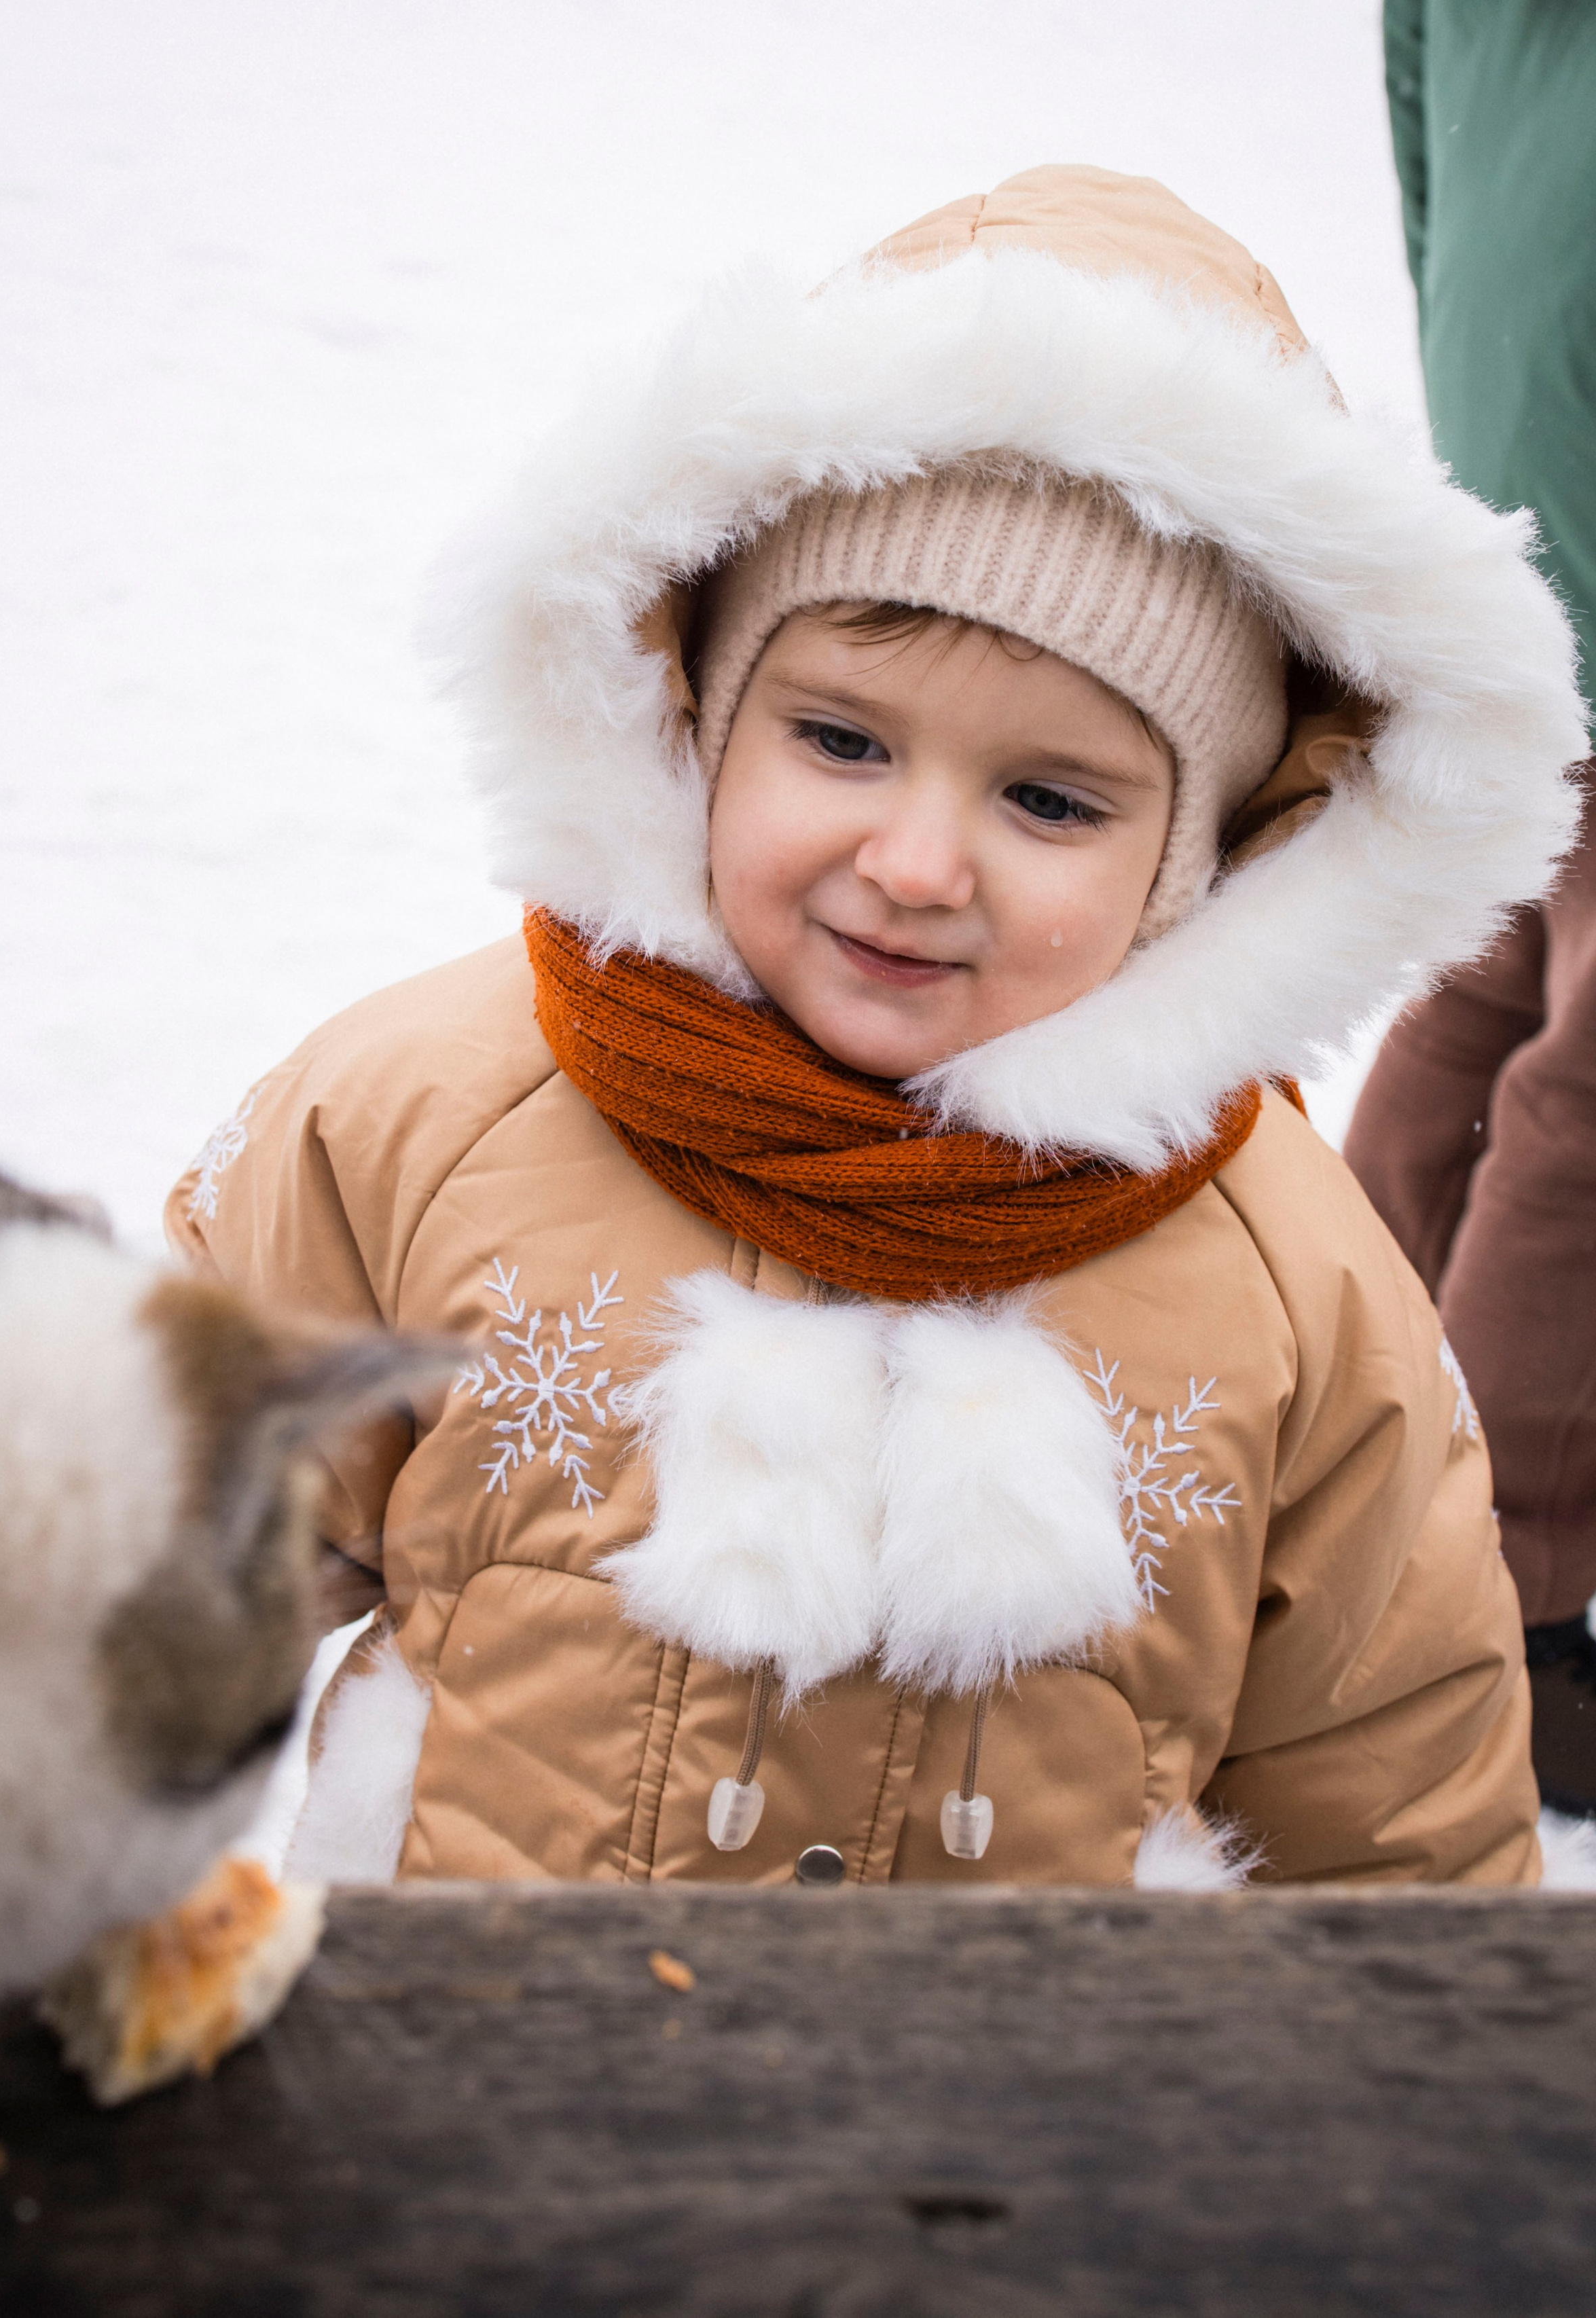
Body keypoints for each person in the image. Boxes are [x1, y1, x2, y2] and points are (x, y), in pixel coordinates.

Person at [170, 166, 1585, 1891]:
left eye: (1049, 800)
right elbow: (129, 1599)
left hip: (1029, 2079)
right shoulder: (417, 1121)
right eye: (840, 741)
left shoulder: (1296, 1296)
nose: (913, 867)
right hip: (475, 2051)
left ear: (1196, 868)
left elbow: (1397, 1844)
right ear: (702, 713)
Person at [1345, 4, 1596, 1813]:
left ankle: (1312, 1438)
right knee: (1581, 1083)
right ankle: (1506, 1616)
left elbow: (1421, 120)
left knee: (1493, 987)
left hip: (1527, 447)